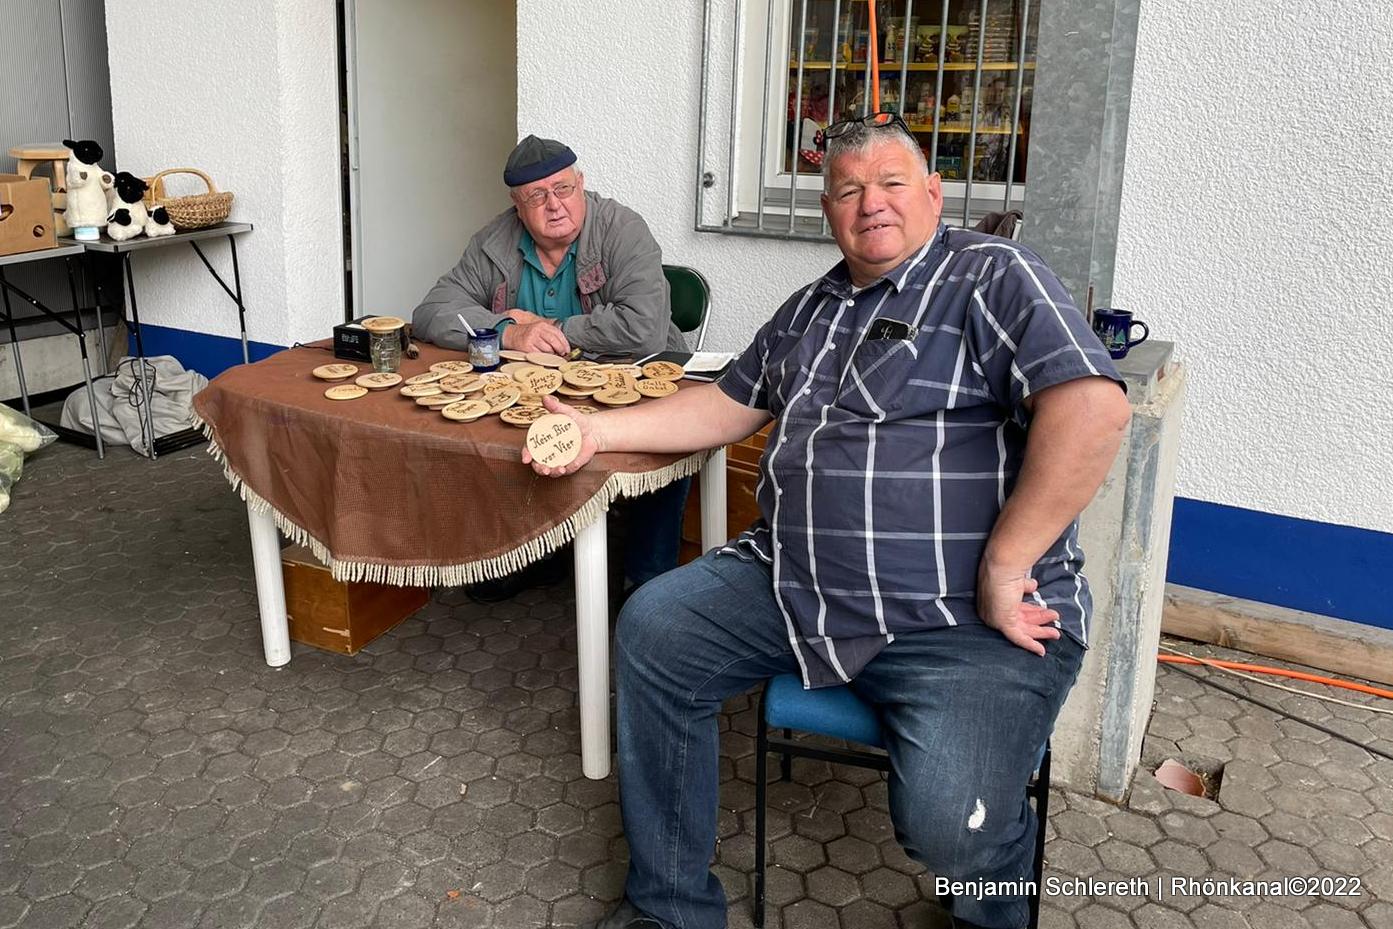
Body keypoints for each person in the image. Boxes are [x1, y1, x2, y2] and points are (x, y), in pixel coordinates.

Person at [524, 113, 1133, 929]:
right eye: (847, 189)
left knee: (952, 829)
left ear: (931, 192)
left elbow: (1092, 409)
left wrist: (1003, 564)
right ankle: (669, 908)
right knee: (657, 628)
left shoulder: (989, 274)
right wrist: (600, 430)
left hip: (960, 619)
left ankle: (993, 900)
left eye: (889, 183)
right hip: (793, 580)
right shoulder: (811, 307)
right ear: (827, 209)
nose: (869, 203)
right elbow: (723, 405)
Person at [413, 135, 690, 597]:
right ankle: (533, 556)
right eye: (537, 196)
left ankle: (648, 578)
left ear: (581, 184)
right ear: (517, 206)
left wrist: (551, 327)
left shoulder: (623, 229)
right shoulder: (494, 243)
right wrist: (508, 331)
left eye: (562, 189)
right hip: (544, 388)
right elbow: (431, 311)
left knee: (661, 444)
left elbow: (643, 329)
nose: (554, 205)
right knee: (487, 433)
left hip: (633, 376)